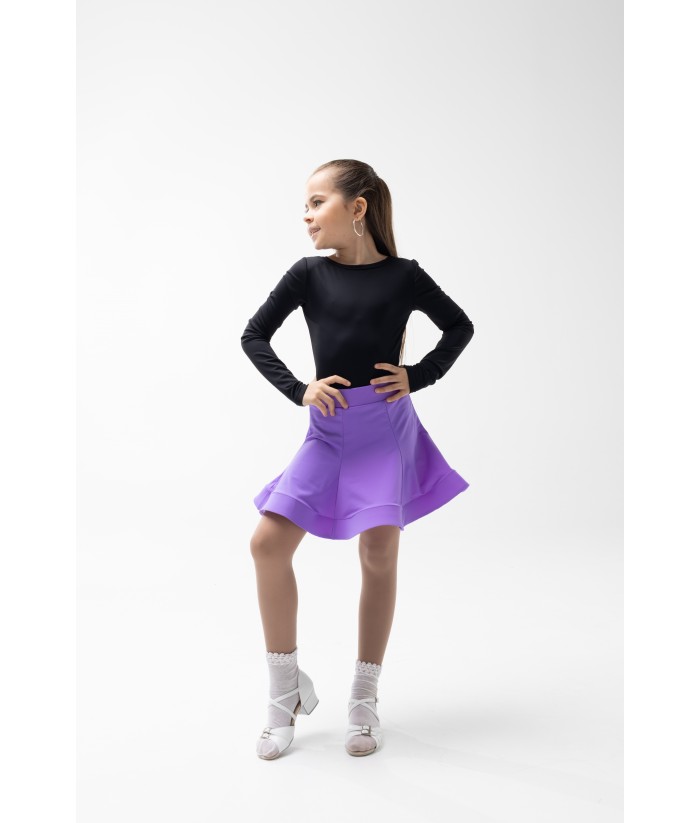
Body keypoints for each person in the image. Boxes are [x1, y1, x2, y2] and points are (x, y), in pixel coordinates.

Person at [240, 159, 475, 760]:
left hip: (385, 430)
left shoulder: (404, 276)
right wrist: (300, 389)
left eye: (317, 202)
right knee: (268, 543)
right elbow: (253, 335)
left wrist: (418, 375)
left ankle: (364, 697)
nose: (307, 215)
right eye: (306, 205)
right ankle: (284, 691)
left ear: (358, 208)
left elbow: (459, 327)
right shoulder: (308, 275)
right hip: (328, 429)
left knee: (378, 553)